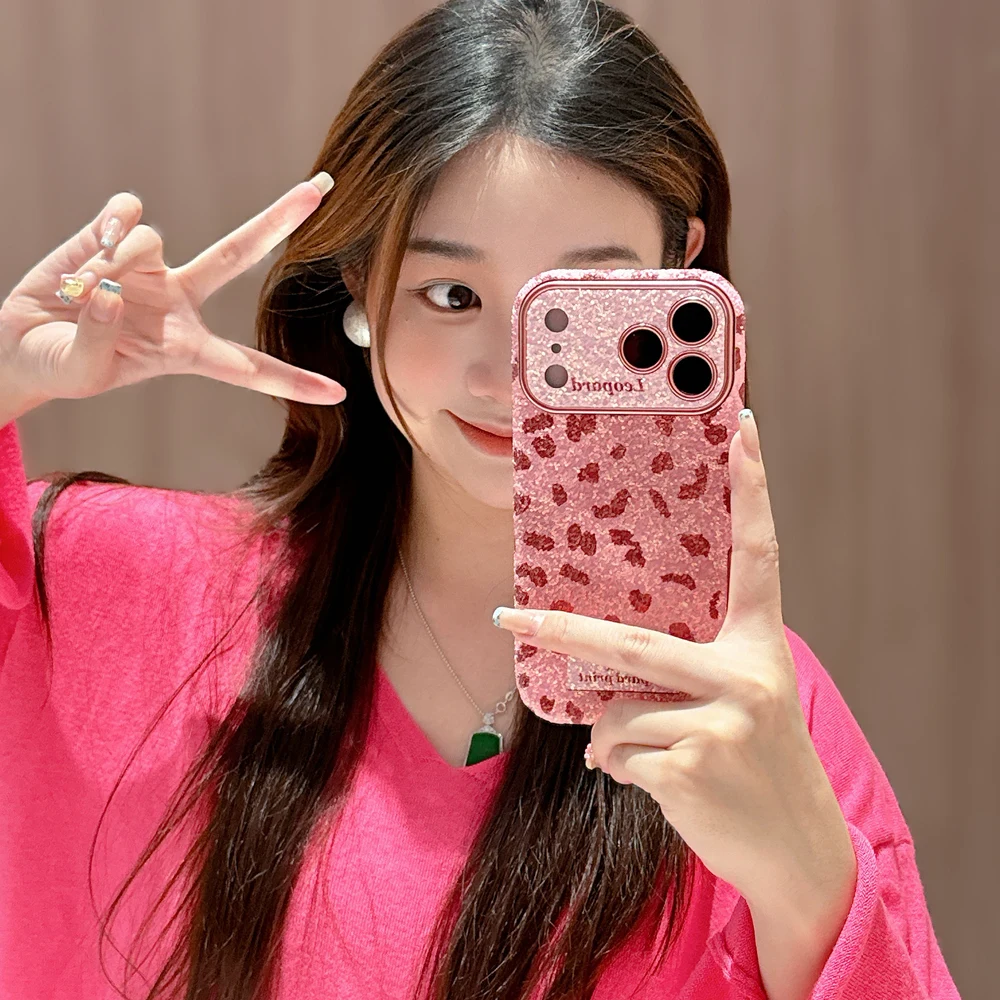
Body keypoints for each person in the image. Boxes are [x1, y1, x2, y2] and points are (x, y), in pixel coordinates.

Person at [0, 1, 962, 999]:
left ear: (677, 272)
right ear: (361, 284)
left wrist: (806, 876)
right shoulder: (109, 588)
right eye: (452, 296)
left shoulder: (746, 715)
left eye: (573, 306)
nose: (512, 377)